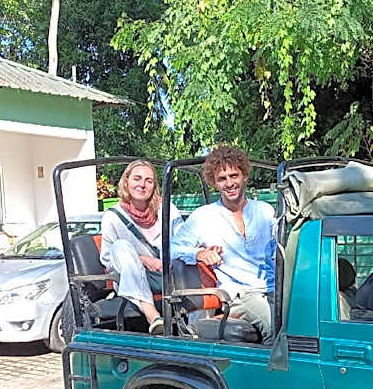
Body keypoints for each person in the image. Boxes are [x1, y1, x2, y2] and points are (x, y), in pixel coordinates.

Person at [170, 145, 276, 341]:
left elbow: (281, 250)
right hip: (240, 295)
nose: (229, 183)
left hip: (273, 288)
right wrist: (198, 254)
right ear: (214, 183)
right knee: (272, 322)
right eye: (222, 178)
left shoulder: (265, 211)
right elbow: (170, 249)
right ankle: (276, 371)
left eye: (234, 175)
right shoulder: (204, 216)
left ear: (244, 175)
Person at [99, 160, 182, 334]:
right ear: (126, 181)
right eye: (137, 178)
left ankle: (201, 331)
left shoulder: (166, 209)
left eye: (148, 180)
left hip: (168, 274)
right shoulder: (113, 217)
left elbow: (183, 239)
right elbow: (108, 258)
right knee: (120, 246)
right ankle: (151, 314)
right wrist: (143, 260)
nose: (142, 185)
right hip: (131, 276)